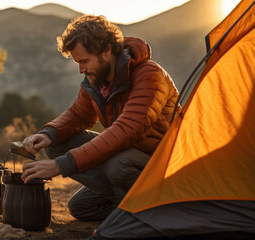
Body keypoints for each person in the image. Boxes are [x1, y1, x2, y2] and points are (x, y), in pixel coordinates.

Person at [21, 15, 179, 221]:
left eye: (84, 61)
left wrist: (61, 165)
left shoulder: (149, 75)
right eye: (78, 63)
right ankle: (134, 206)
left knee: (118, 166)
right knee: (80, 205)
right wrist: (49, 133)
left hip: (163, 164)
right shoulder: (97, 80)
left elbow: (127, 129)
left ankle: (164, 206)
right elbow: (79, 115)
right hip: (125, 156)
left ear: (106, 51)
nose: (81, 70)